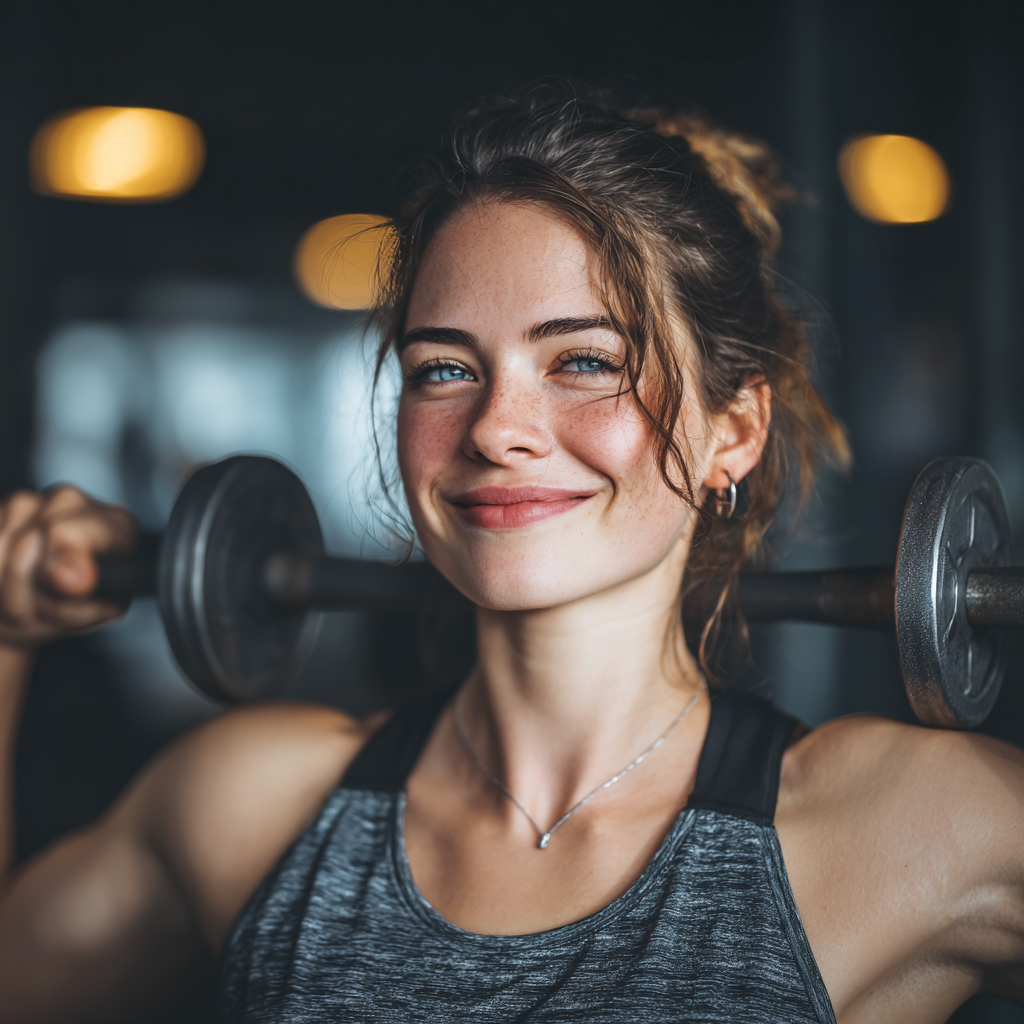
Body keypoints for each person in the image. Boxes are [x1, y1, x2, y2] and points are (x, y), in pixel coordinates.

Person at [0, 82, 1022, 1024]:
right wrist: (6, 636)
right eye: (444, 368)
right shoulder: (251, 800)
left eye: (584, 361)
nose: (497, 427)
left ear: (733, 432)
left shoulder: (912, 823)